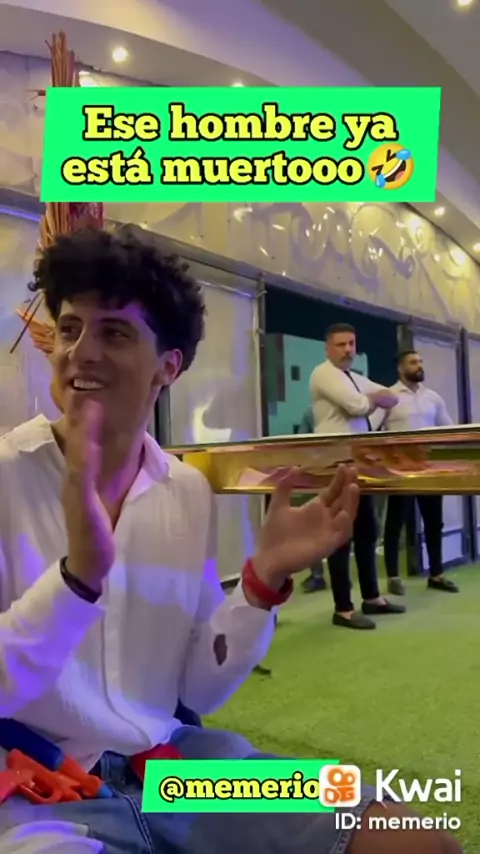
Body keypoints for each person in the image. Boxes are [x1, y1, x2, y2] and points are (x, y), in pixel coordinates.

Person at [0, 230, 461, 854]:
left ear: (169, 367)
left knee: (411, 840)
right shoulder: (6, 472)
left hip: (175, 770)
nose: (81, 353)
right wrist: (76, 579)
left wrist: (262, 580)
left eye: (115, 333)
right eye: (71, 328)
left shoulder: (185, 490)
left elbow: (196, 690)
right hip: (34, 784)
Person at [309, 323, 405, 630]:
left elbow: (391, 397)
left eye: (351, 343)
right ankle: (343, 609)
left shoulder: (353, 377)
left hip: (358, 461)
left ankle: (372, 597)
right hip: (335, 463)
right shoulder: (323, 373)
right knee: (341, 534)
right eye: (341, 344)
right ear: (328, 348)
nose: (348, 349)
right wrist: (371, 400)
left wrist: (371, 400)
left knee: (366, 530)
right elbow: (356, 406)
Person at [380, 349, 459, 596]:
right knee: (395, 523)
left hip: (428, 470)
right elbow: (373, 429)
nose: (419, 366)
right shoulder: (389, 397)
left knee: (434, 522)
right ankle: (393, 577)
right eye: (413, 362)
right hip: (399, 470)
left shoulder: (433, 398)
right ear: (400, 368)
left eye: (420, 361)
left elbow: (449, 430)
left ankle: (436, 574)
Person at [298, 405, 327, 593]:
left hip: (321, 473)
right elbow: (303, 444)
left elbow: (302, 444)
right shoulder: (311, 412)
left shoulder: (312, 411)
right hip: (323, 473)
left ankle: (318, 576)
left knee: (315, 526)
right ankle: (319, 576)